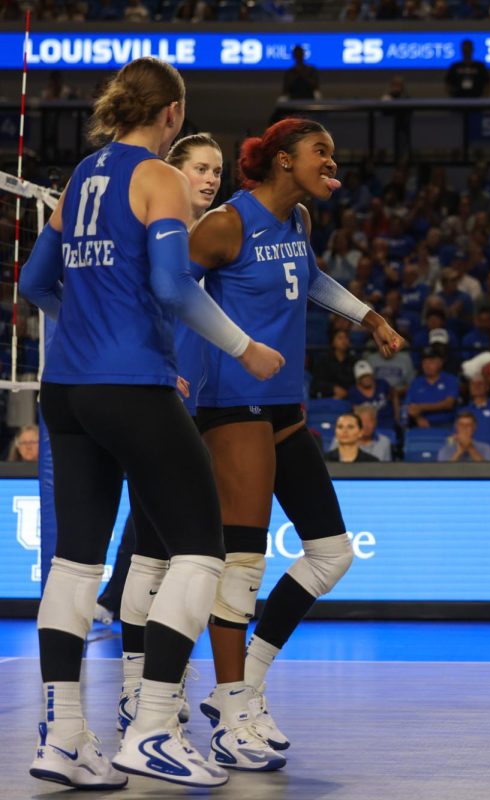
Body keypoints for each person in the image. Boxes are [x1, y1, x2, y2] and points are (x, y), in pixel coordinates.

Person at [19, 57, 284, 789]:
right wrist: (245, 346)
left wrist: (92, 329)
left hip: (66, 391)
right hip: (132, 387)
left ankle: (65, 736)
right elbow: (172, 286)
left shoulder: (77, 180)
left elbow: (35, 283)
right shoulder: (158, 178)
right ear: (170, 113)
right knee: (202, 552)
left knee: (75, 562)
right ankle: (154, 728)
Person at [187, 117, 402, 766]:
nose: (331, 161)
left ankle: (245, 685)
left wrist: (367, 315)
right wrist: (208, 356)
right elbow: (166, 289)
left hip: (283, 403)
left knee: (332, 553)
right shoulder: (226, 224)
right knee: (243, 566)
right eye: (320, 152)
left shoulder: (300, 224)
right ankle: (230, 710)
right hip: (232, 402)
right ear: (283, 161)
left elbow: (307, 282)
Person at [112, 132, 224, 733]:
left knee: (166, 552)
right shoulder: (158, 235)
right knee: (156, 552)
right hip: (155, 402)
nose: (209, 178)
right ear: (174, 172)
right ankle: (138, 688)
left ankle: (157, 684)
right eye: (199, 168)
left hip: (200, 408)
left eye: (216, 171)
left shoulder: (212, 239)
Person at [403, 347, 459, 428]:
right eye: (424, 361)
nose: (427, 365)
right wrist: (418, 418)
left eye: (431, 361)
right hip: (419, 425)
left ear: (440, 362)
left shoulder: (451, 380)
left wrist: (421, 407)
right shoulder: (416, 382)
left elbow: (448, 404)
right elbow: (408, 406)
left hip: (447, 424)